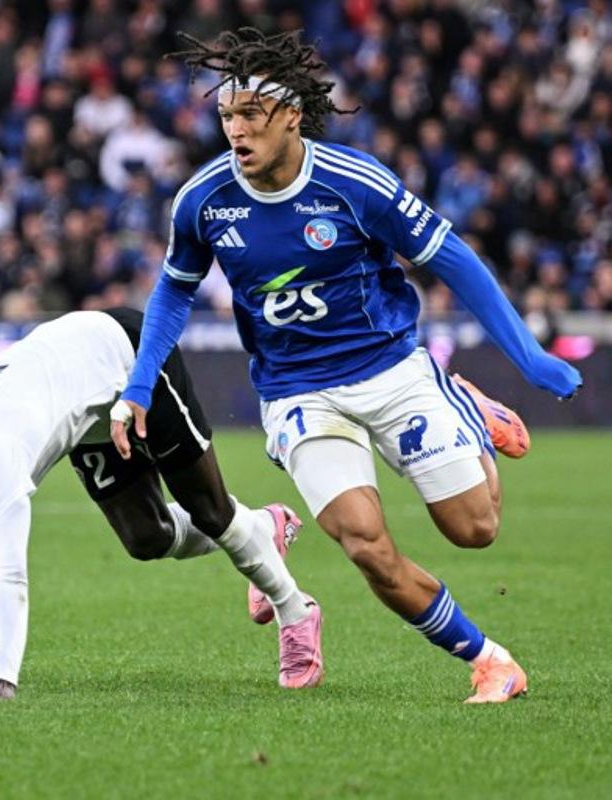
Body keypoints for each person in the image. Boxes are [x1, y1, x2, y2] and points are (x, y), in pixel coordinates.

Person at [112, 29, 584, 704]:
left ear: (292, 115)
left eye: (252, 115)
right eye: (227, 116)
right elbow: (173, 289)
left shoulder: (355, 183)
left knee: (475, 530)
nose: (237, 131)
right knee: (366, 546)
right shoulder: (204, 201)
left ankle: (466, 406)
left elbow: (454, 260)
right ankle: (491, 661)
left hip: (392, 373)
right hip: (297, 392)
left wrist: (529, 356)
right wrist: (137, 386)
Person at [0, 308, 323, 700]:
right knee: (147, 539)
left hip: (126, 355)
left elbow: (9, 572)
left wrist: (2, 679)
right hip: (80, 402)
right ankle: (264, 526)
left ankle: (294, 609)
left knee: (212, 513)